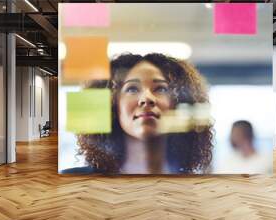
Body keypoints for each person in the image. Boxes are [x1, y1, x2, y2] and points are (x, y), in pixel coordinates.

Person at [61, 53, 213, 174]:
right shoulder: (75, 181)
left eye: (160, 89)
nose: (146, 98)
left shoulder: (194, 187)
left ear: (178, 104)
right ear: (113, 105)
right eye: (132, 89)